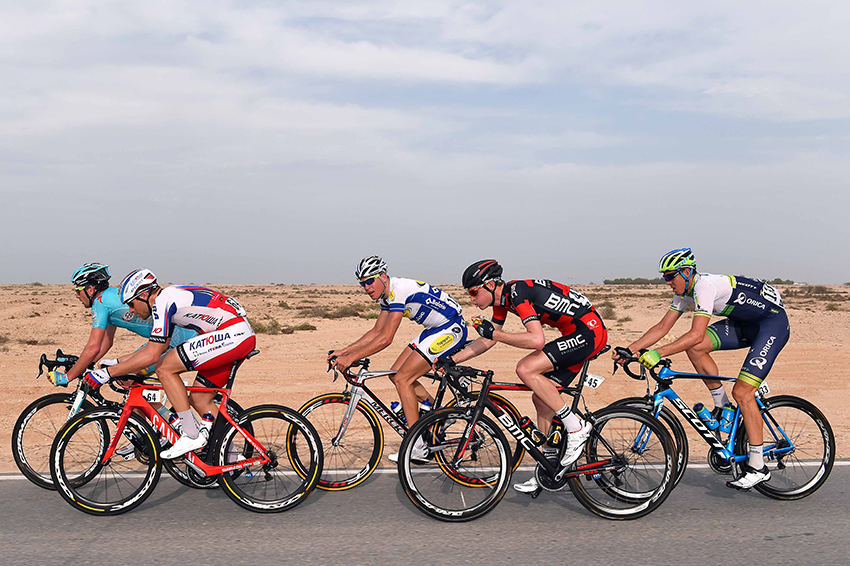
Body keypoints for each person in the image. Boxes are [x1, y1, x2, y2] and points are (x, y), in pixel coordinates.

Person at [613, 248, 789, 490]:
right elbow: (663, 326)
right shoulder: (684, 292)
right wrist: (631, 350)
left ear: (686, 272)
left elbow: (695, 334)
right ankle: (722, 405)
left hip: (771, 325)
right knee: (695, 350)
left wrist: (658, 353)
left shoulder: (704, 286)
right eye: (664, 277)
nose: (667, 282)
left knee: (743, 392)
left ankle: (758, 466)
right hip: (744, 324)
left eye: (669, 276)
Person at [451, 260, 608, 493]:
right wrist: (452, 360)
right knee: (541, 399)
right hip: (577, 333)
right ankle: (549, 467)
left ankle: (575, 428)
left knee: (525, 368)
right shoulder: (502, 301)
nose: (471, 299)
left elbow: (536, 340)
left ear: (491, 284)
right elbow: (488, 339)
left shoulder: (517, 293)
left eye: (474, 292)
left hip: (588, 332)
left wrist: (496, 334)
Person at [80, 269, 256, 459]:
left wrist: (108, 373)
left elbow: (152, 356)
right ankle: (231, 458)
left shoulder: (163, 302)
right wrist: (118, 362)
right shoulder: (168, 299)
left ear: (145, 294)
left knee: (164, 368)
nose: (131, 310)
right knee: (199, 399)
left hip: (232, 335)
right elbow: (159, 346)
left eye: (131, 304)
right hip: (239, 335)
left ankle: (190, 434)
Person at [329, 255, 468, 462]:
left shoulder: (397, 291)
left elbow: (386, 339)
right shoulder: (387, 296)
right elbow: (376, 330)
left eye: (369, 281)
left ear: (383, 276)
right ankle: (440, 417)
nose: (366, 287)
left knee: (404, 379)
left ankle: (418, 446)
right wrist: (345, 352)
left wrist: (352, 358)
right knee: (396, 375)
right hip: (434, 329)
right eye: (362, 283)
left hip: (450, 328)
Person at [49, 262, 195, 385]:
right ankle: (145, 418)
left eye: (78, 289)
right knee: (129, 382)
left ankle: (169, 418)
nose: (76, 295)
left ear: (90, 289)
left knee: (128, 378)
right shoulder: (110, 296)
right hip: (171, 337)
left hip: (172, 339)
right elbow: (106, 343)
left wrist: (67, 377)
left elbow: (93, 348)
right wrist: (80, 367)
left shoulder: (100, 304)